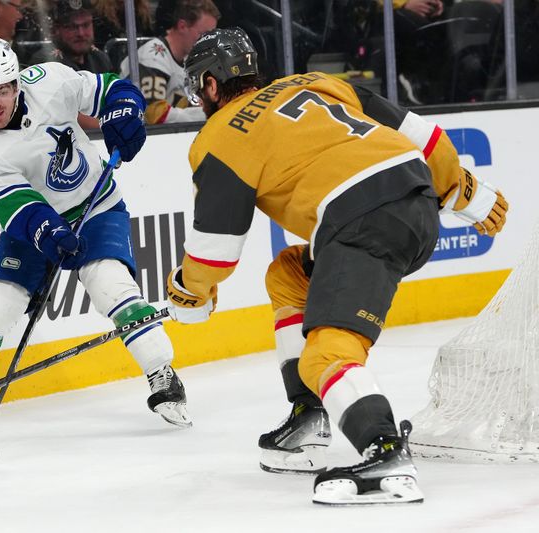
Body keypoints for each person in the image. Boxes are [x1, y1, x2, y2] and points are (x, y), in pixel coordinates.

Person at [166, 28, 508, 504]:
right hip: (415, 204)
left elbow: (216, 250)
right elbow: (422, 134)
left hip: (363, 220)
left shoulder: (221, 136)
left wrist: (190, 289)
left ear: (208, 84)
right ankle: (310, 415)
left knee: (327, 352)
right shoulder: (311, 83)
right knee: (287, 274)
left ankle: (385, 453)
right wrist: (458, 190)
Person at [0, 38, 192, 429]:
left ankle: (162, 373)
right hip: (34, 226)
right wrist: (48, 231)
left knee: (111, 285)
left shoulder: (50, 81)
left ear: (18, 84)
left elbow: (111, 89)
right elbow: (17, 207)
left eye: (3, 89)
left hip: (96, 208)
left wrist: (125, 111)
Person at [119, 0, 219, 125]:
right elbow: (153, 114)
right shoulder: (153, 57)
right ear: (182, 26)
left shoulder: (191, 60)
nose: (207, 42)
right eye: (203, 34)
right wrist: (204, 114)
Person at [28, 0, 112, 74]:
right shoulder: (45, 64)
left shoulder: (99, 59)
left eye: (86, 25)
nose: (81, 33)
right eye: (72, 27)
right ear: (56, 29)